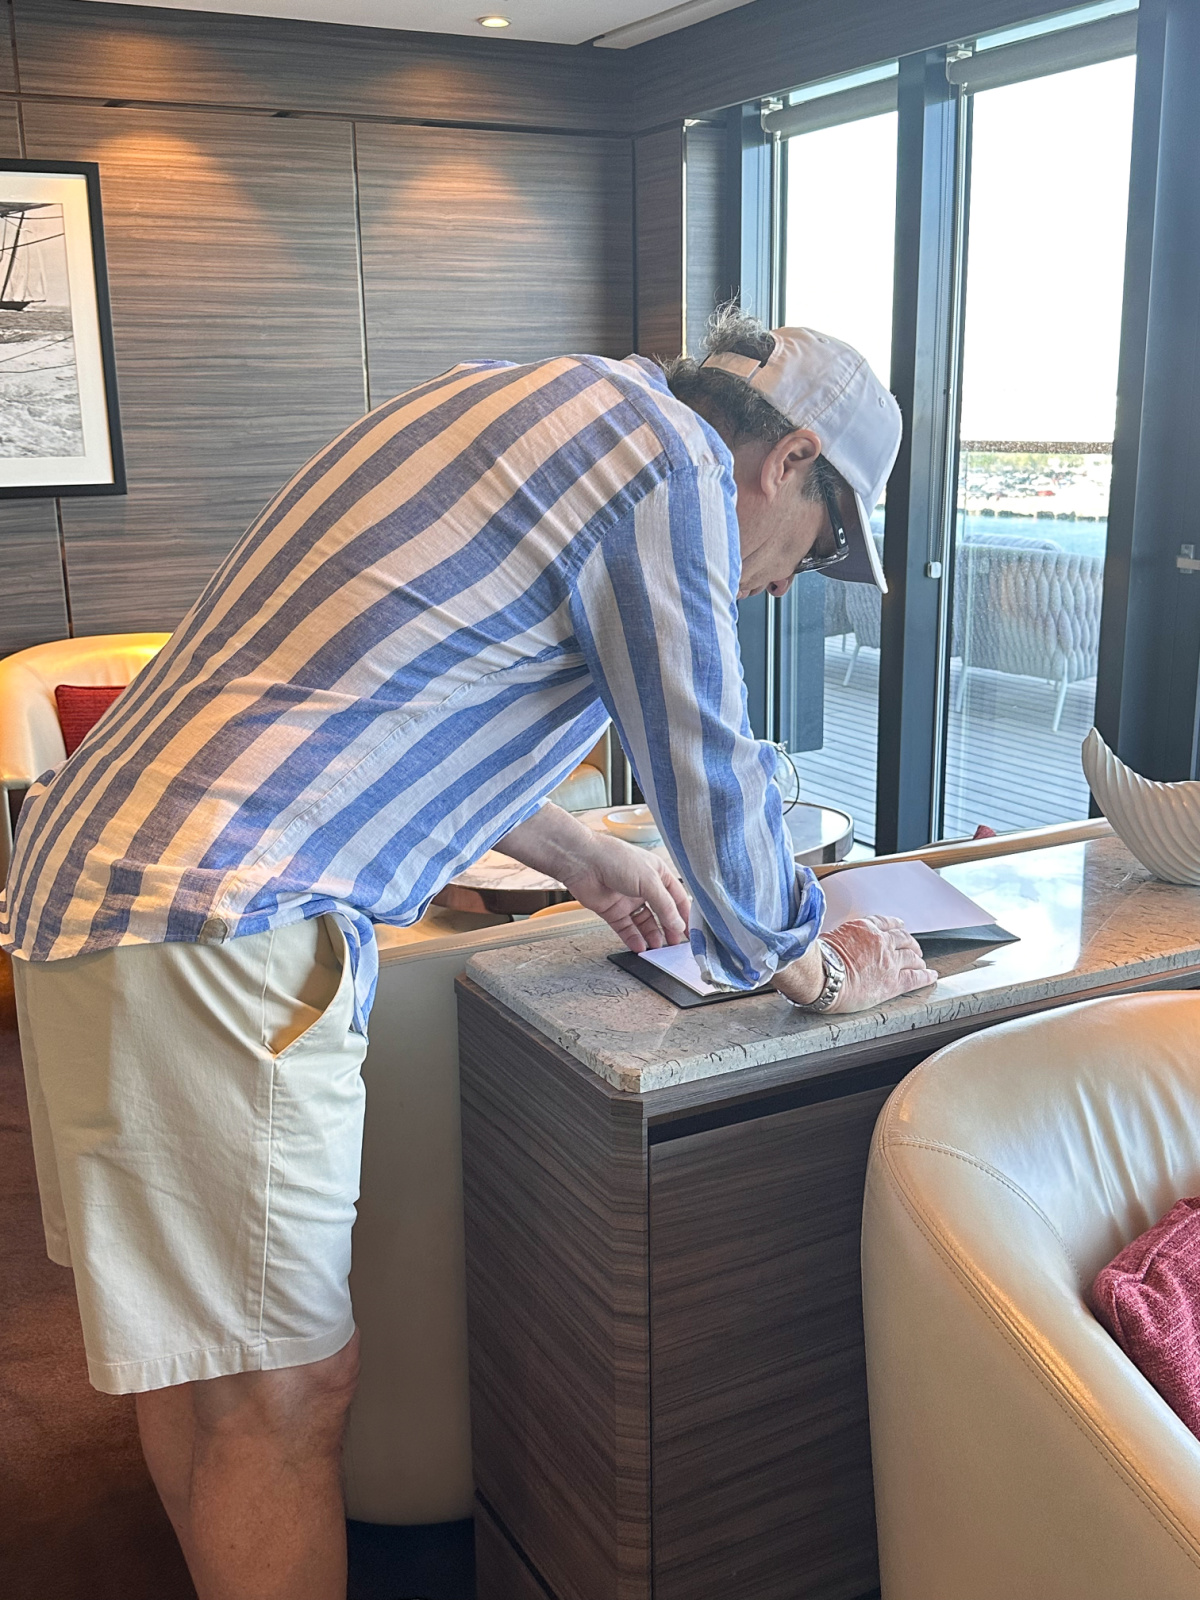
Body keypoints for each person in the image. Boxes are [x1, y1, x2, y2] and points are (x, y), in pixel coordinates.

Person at [0, 306, 935, 1599]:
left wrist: (589, 857)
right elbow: (705, 762)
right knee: (282, 1392)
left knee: (204, 1371)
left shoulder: (520, 399)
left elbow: (398, 702)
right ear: (790, 460)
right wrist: (822, 967)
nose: (784, 584)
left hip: (88, 887)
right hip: (215, 912)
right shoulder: (670, 465)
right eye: (821, 547)